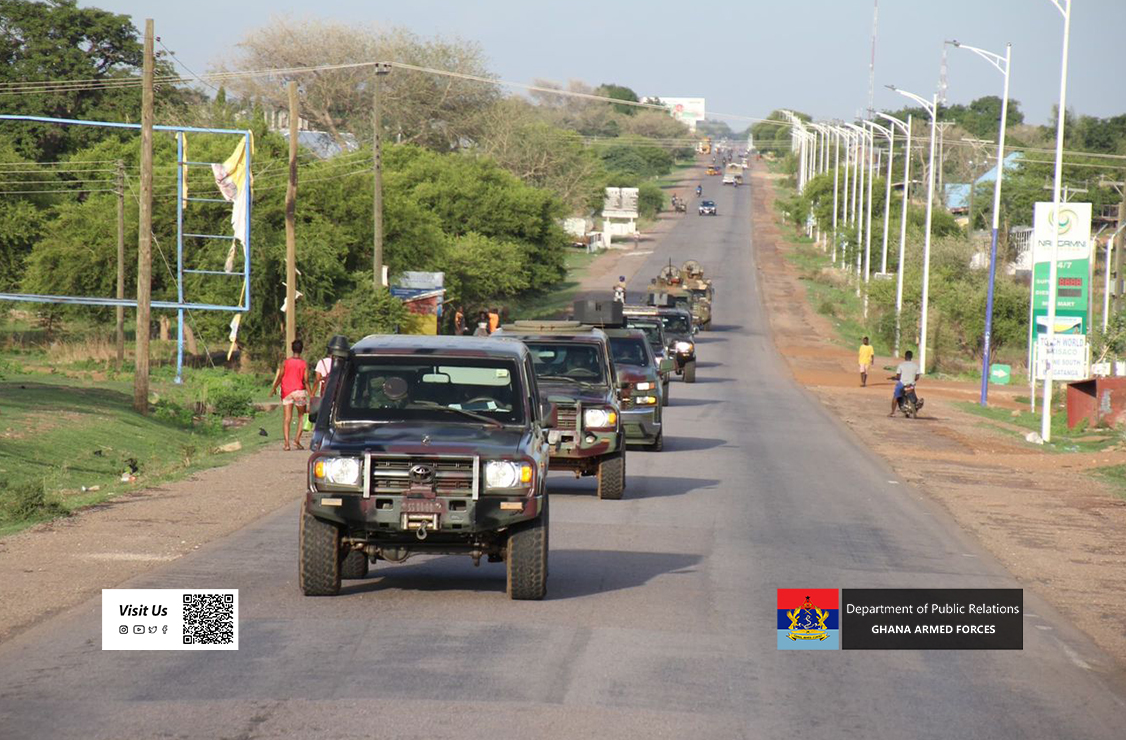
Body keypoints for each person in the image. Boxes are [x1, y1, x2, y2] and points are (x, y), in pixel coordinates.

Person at [270, 339, 311, 450]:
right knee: (301, 416)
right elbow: (306, 380)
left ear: (292, 349)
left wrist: (274, 388)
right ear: (301, 350)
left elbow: (280, 377)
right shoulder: (304, 364)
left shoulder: (286, 362)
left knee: (287, 418)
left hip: (287, 392)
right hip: (299, 392)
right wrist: (311, 394)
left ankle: (286, 444)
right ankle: (297, 440)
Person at [890, 350, 920, 417]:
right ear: (911, 357)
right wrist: (912, 380)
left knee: (895, 396)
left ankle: (892, 412)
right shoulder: (916, 366)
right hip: (911, 384)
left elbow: (898, 376)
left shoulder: (901, 365)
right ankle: (916, 405)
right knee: (914, 394)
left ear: (905, 356)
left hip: (902, 384)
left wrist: (894, 378)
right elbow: (917, 377)